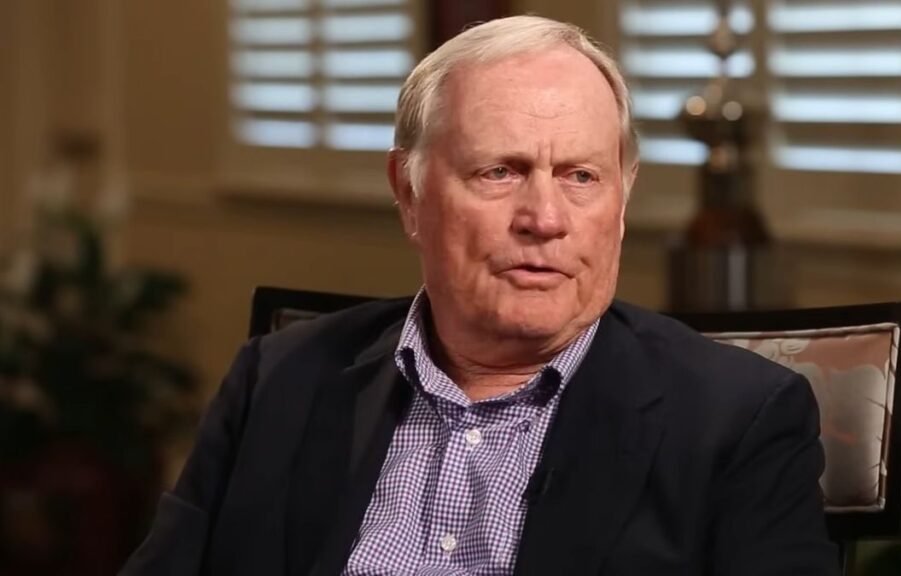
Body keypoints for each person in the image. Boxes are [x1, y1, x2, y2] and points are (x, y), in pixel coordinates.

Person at [121, 15, 838, 576]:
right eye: (500, 171)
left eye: (581, 177)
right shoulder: (276, 378)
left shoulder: (738, 420)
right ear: (409, 193)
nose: (545, 218)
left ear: (623, 203)